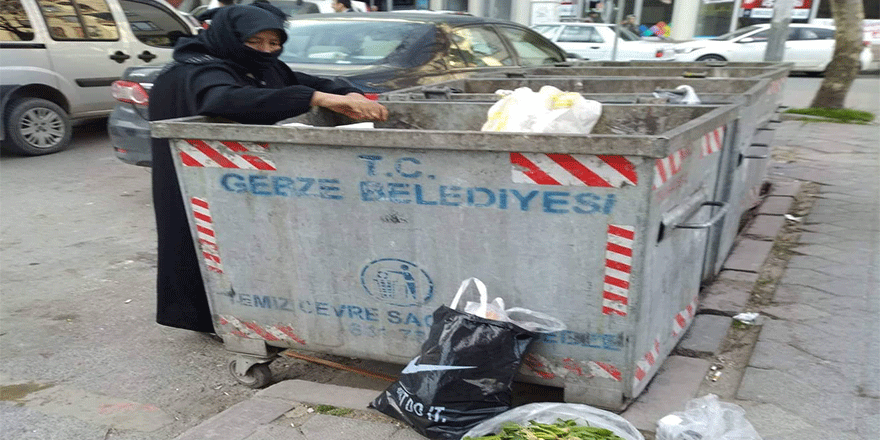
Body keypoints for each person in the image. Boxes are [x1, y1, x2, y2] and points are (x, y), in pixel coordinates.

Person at [150, 5, 388, 333]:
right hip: (193, 177)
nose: (266, 51)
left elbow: (304, 82)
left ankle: (251, 312)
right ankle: (210, 320)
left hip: (234, 175)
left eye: (274, 44)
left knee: (248, 245)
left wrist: (347, 93)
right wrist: (319, 99)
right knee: (200, 243)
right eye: (256, 42)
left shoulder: (256, 64)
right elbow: (224, 100)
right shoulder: (196, 68)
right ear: (231, 37)